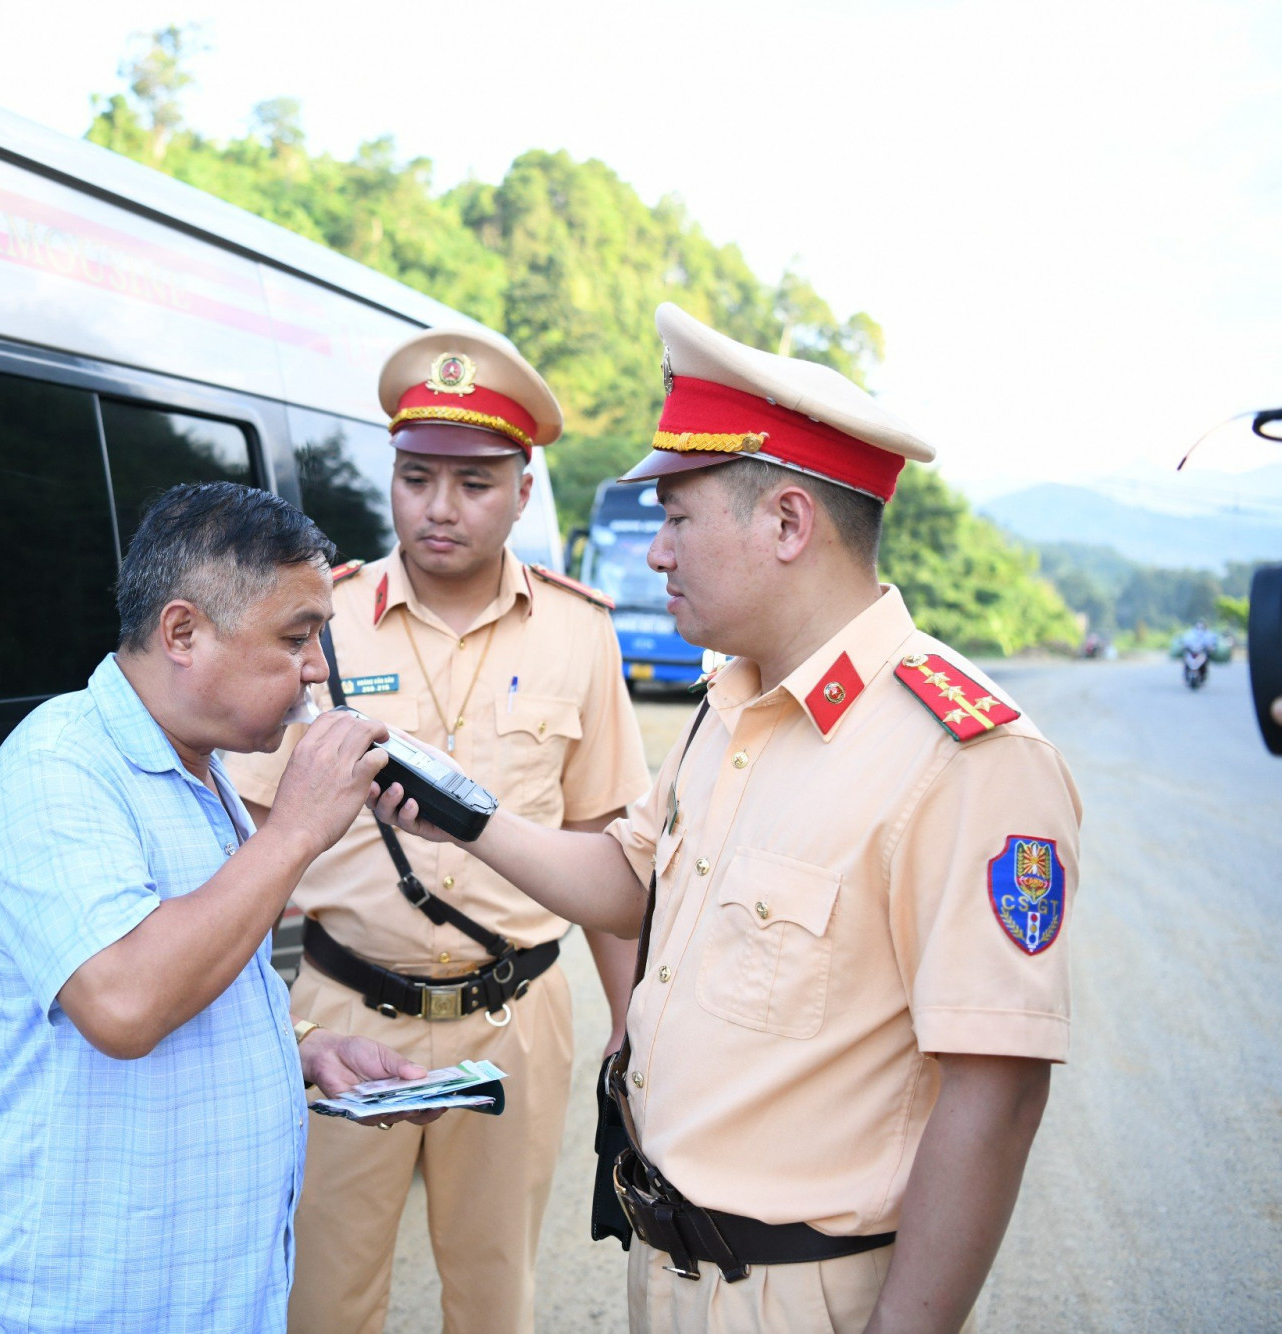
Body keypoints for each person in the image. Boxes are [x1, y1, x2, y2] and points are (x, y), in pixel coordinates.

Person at [374, 304, 1082, 1334]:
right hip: (667, 1269)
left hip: (805, 1294)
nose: (654, 553)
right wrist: (465, 817)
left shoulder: (964, 755)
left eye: (677, 517)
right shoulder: (733, 700)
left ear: (786, 522)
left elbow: (998, 1090)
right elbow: (628, 883)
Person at [0, 482, 441, 1334]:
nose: (318, 667)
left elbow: (205, 959)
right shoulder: (58, 768)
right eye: (296, 637)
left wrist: (309, 1049)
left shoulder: (202, 770)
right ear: (182, 632)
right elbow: (126, 1002)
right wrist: (295, 832)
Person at [227, 325, 652, 1334]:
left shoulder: (578, 631)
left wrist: (636, 1026)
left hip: (516, 1019)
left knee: (493, 1295)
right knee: (322, 1298)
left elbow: (605, 849)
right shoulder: (317, 620)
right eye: (416, 477)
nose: (439, 507)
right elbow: (241, 841)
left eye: (471, 482)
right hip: (341, 1010)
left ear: (520, 486)